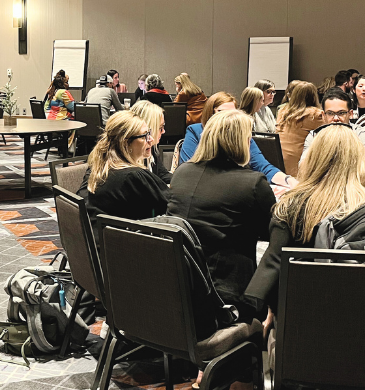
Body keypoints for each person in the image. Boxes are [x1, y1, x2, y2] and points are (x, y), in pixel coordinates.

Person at [242, 126, 365, 390]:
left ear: (311, 159)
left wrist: (263, 311)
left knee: (297, 311)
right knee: (364, 311)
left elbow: (273, 270)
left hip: (304, 346)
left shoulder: (291, 207)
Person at [168, 110, 275, 306]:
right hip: (225, 299)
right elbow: (271, 233)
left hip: (178, 288)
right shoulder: (252, 183)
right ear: (242, 141)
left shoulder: (182, 172)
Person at [78, 111, 168, 250]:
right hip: (123, 258)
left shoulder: (100, 167)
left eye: (149, 133)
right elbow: (173, 207)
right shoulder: (133, 176)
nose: (150, 139)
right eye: (144, 136)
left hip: (95, 251)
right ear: (125, 143)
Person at [180, 92, 296, 187]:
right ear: (210, 112)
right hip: (206, 187)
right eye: (222, 112)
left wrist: (288, 181)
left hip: (235, 186)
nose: (227, 118)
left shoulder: (242, 135)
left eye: (232, 113)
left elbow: (263, 166)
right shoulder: (195, 131)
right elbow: (187, 168)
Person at [302, 88, 365, 159]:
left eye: (341, 113)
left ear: (350, 114)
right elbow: (303, 167)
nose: (336, 118)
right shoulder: (314, 136)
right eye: (330, 113)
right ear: (323, 116)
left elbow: (364, 169)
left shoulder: (363, 136)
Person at [276, 81, 323, 176]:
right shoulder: (315, 115)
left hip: (278, 163)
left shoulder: (282, 111)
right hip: (299, 168)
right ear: (314, 96)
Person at [130, 100, 171, 185]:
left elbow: (162, 175)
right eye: (160, 128)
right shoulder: (128, 162)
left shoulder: (152, 149)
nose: (163, 131)